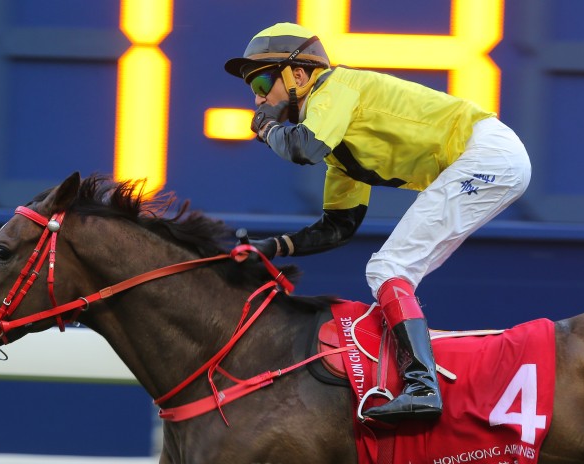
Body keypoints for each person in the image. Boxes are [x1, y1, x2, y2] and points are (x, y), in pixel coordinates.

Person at [225, 22, 531, 424]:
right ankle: (416, 381)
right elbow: (339, 227)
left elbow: (302, 147)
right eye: (253, 90)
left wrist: (266, 127)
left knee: (388, 268)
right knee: (393, 273)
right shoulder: (341, 146)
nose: (260, 97)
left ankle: (422, 387)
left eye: (264, 81)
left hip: (486, 155)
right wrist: (275, 246)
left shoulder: (334, 88)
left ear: (299, 74)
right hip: (490, 159)